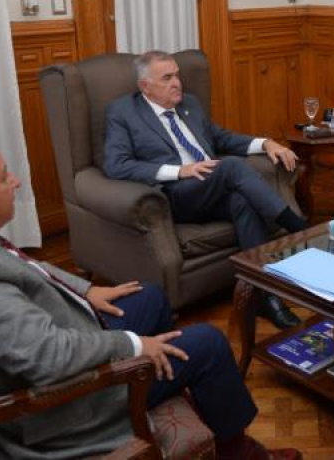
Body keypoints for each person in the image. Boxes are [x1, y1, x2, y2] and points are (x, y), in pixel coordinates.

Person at [0, 131, 301, 460]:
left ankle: (169, 384)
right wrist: (133, 346)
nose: (16, 182)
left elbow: (18, 263)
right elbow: (47, 357)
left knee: (151, 296)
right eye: (4, 177)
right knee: (208, 343)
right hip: (63, 404)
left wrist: (86, 289)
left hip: (64, 334)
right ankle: (239, 451)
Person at [103, 50, 305, 330]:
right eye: (167, 78)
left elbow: (223, 138)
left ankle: (266, 297)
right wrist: (179, 171)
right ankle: (300, 229)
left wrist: (266, 143)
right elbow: (117, 165)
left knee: (242, 202)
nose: (177, 83)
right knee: (230, 166)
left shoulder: (189, 104)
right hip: (175, 195)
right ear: (145, 86)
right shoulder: (124, 112)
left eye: (177, 75)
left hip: (211, 188)